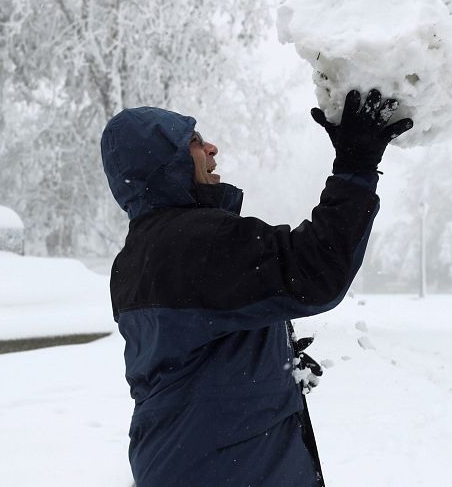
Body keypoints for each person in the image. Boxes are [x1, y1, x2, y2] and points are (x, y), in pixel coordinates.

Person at [100, 89, 412, 486]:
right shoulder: (197, 240)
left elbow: (187, 348)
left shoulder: (133, 259)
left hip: (179, 462)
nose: (212, 148)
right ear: (164, 165)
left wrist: (265, 352)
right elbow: (317, 270)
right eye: (194, 142)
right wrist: (356, 167)